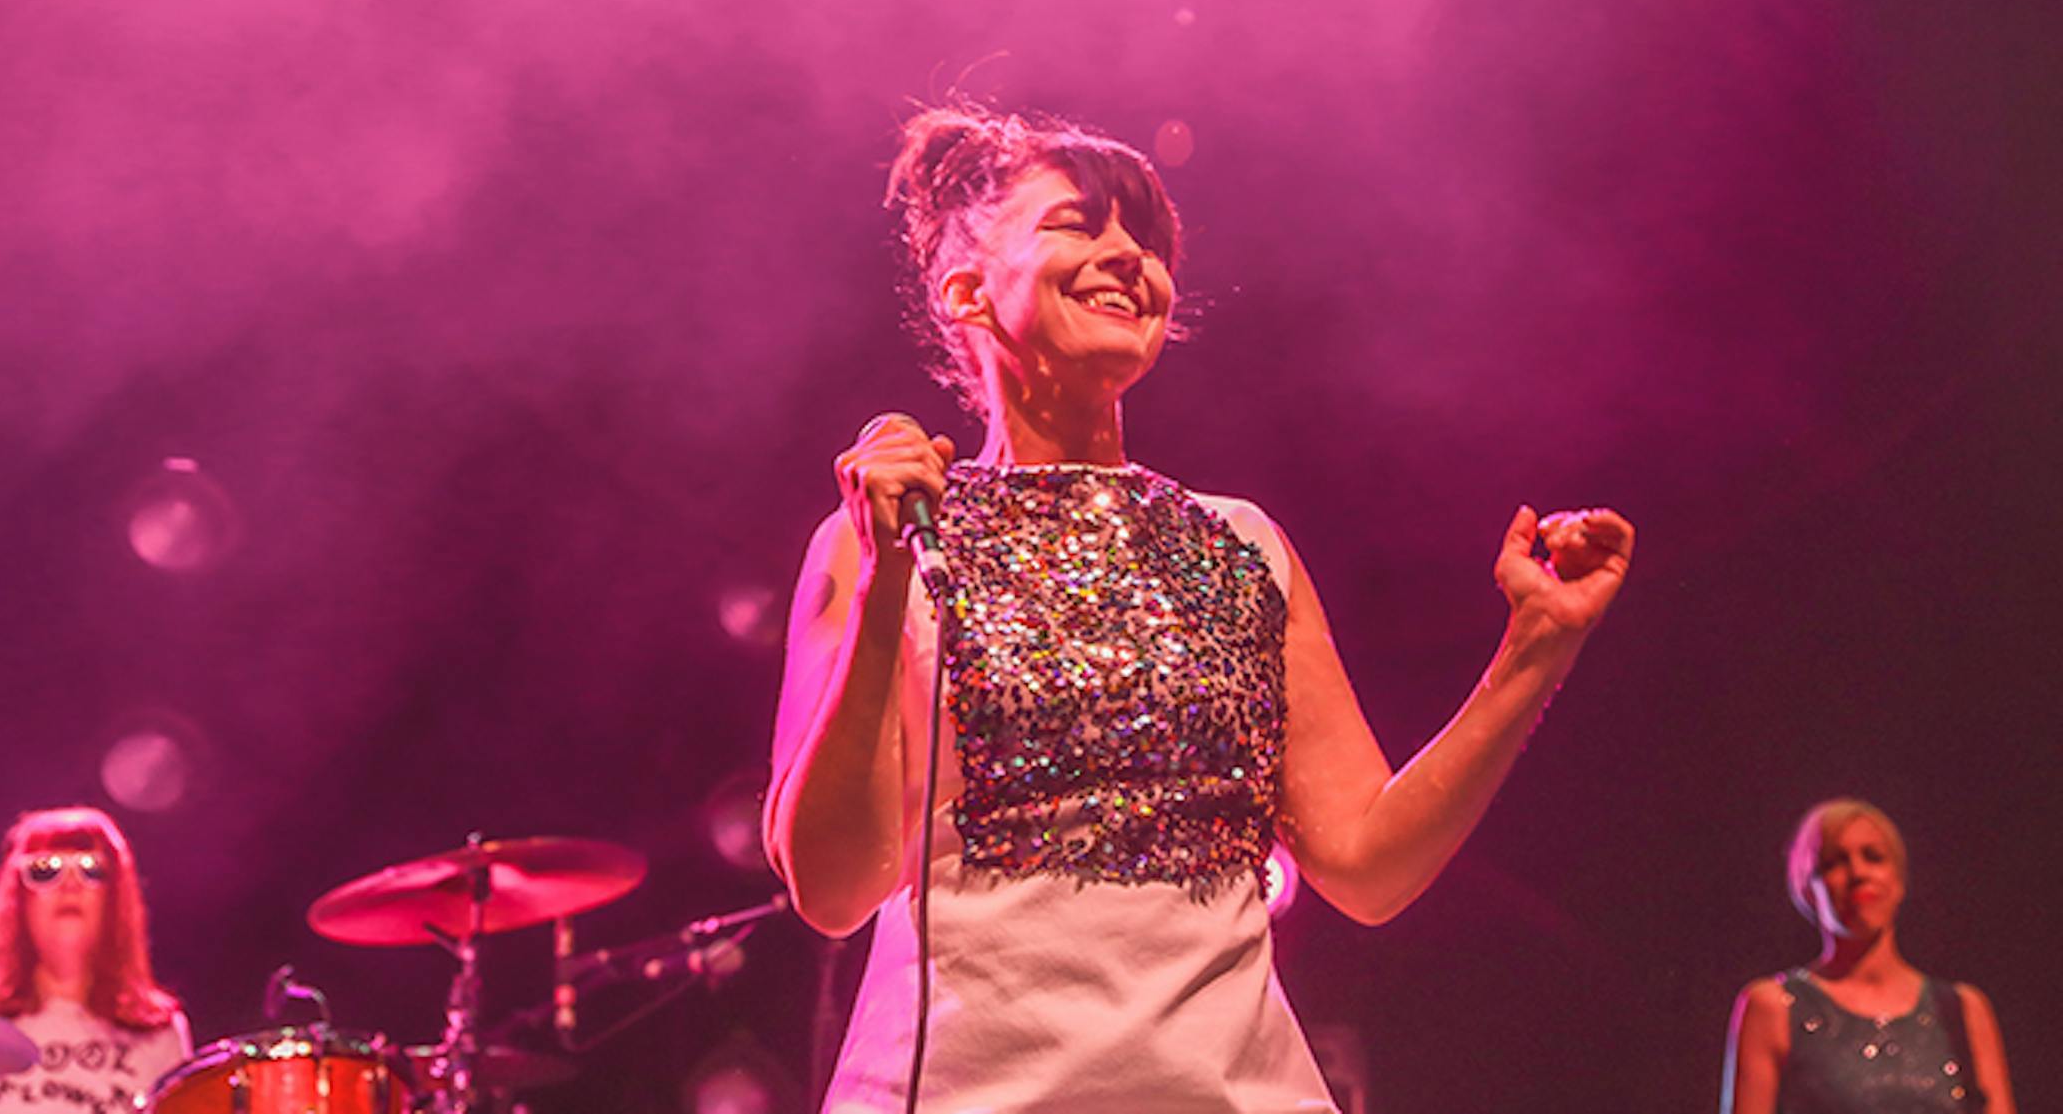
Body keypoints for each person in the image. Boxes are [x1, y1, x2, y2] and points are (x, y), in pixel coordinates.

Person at [763, 103, 1637, 1111]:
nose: (1127, 256)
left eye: (1148, 238)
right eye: (1078, 225)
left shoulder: (1243, 543)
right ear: (967, 289)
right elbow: (830, 890)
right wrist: (885, 589)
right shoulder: (883, 540)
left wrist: (1536, 649)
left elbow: (1367, 863)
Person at [1721, 799, 2015, 1114]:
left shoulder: (1962, 1010)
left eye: (1873, 857)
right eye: (1833, 862)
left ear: (1899, 880)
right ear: (1807, 889)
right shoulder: (1773, 1007)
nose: (1858, 873)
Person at [0, 807, 193, 1114]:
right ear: (18, 897)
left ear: (116, 895)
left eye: (91, 868)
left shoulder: (159, 1032)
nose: (70, 884)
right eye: (45, 869)